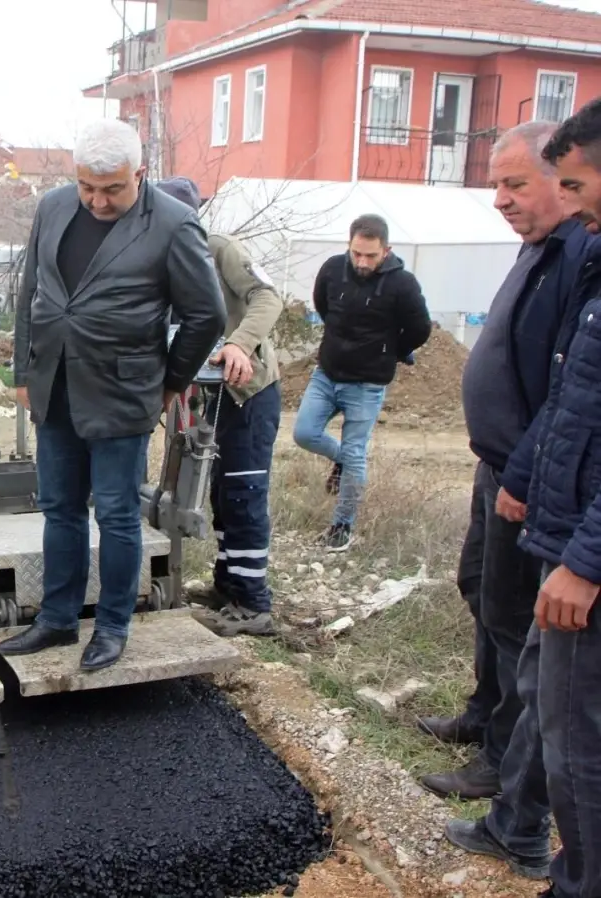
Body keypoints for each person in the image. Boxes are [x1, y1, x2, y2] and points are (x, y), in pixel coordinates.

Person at [444, 97, 601, 898]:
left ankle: (518, 812)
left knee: (538, 658)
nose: (501, 199)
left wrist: (527, 475)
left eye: (518, 183)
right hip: (507, 469)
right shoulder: (542, 247)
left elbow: (572, 388)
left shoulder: (581, 251)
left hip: (538, 489)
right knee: (491, 604)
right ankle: (492, 734)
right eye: (494, 185)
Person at [1, 119, 227, 671]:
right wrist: (24, 374)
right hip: (54, 384)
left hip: (124, 392)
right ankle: (56, 620)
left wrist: (169, 381)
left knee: (119, 515)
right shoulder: (54, 207)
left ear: (140, 174)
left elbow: (207, 315)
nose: (97, 202)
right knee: (59, 509)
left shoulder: (174, 224)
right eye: (87, 187)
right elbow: (31, 289)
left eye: (112, 189)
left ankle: (112, 627)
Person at [155, 176, 284, 637]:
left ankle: (254, 603)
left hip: (246, 391)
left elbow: (269, 298)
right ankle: (229, 585)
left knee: (245, 492)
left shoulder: (220, 249)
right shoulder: (156, 259)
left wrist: (239, 344)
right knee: (220, 493)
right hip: (205, 395)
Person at [292, 214, 432, 551]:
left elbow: (420, 329)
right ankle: (339, 460)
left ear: (386, 250)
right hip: (327, 373)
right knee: (304, 433)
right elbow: (323, 306)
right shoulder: (332, 269)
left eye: (370, 255)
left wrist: (391, 352)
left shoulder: (403, 284)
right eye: (356, 253)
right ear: (349, 246)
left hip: (368, 384)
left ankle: (342, 527)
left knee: (355, 454)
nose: (362, 262)